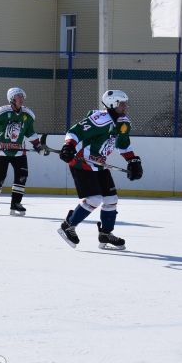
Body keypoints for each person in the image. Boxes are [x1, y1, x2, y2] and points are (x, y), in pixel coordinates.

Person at [57, 89, 143, 249]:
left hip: (99, 165)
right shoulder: (99, 120)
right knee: (94, 199)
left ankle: (105, 234)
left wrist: (132, 160)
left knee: (111, 200)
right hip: (81, 163)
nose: (125, 106)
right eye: (122, 103)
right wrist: (68, 146)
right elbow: (74, 132)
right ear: (112, 104)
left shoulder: (124, 123)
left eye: (125, 103)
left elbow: (123, 144)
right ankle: (67, 226)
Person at [0, 87, 49, 215]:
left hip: (19, 153)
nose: (22, 99)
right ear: (12, 98)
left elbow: (30, 133)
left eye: (22, 96)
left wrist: (38, 146)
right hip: (1, 152)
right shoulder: (1, 112)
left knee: (22, 177)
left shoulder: (27, 115)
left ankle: (16, 204)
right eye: (19, 96)